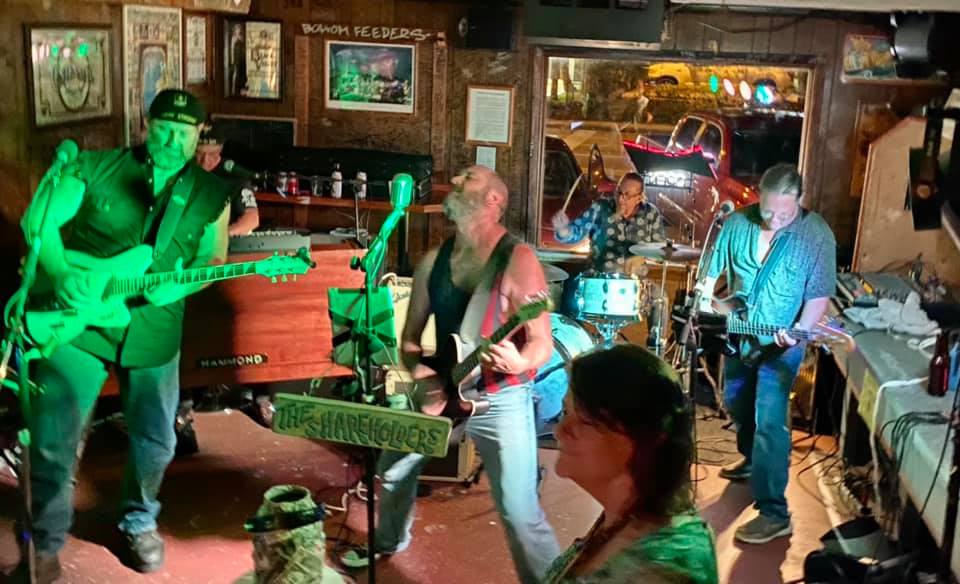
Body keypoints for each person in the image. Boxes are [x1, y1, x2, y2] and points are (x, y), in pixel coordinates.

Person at [13, 89, 231, 582]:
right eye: (163, 129)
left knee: (155, 440)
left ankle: (138, 520)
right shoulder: (95, 167)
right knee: (53, 436)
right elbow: (39, 226)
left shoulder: (210, 194)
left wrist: (188, 278)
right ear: (145, 125)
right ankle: (43, 544)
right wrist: (62, 273)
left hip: (153, 327)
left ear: (200, 135)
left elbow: (214, 258)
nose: (173, 141)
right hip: (79, 324)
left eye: (184, 132)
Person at [341, 165, 561, 583]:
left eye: (470, 177)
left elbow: (541, 343)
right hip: (442, 388)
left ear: (495, 200)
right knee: (392, 470)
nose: (457, 181)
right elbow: (408, 341)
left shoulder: (519, 260)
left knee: (518, 510)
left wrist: (518, 362)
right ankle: (388, 541)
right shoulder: (432, 262)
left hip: (500, 396)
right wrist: (422, 377)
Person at [695, 163, 836, 544]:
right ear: (759, 195)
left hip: (783, 342)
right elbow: (710, 276)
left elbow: (818, 296)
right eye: (768, 210)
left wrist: (800, 330)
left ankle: (775, 512)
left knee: (769, 418)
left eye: (784, 213)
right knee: (736, 404)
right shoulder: (738, 223)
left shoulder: (817, 235)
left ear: (801, 201)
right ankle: (751, 459)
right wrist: (706, 298)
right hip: (740, 335)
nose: (774, 219)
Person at [544, 344, 718, 583]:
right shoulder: (624, 520)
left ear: (639, 439)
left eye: (584, 421)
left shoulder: (664, 568)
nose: (559, 430)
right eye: (565, 412)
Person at [551, 172, 665, 273]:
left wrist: (642, 256)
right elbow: (576, 233)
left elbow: (662, 252)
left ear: (639, 198)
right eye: (619, 192)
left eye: (627, 195)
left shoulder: (651, 213)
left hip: (635, 283)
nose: (620, 199)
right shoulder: (600, 207)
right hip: (598, 278)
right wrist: (563, 230)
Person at [195, 123, 259, 236]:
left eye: (212, 154)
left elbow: (251, 218)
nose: (205, 161)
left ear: (221, 149)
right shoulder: (181, 171)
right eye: (199, 154)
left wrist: (220, 238)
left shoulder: (235, 175)